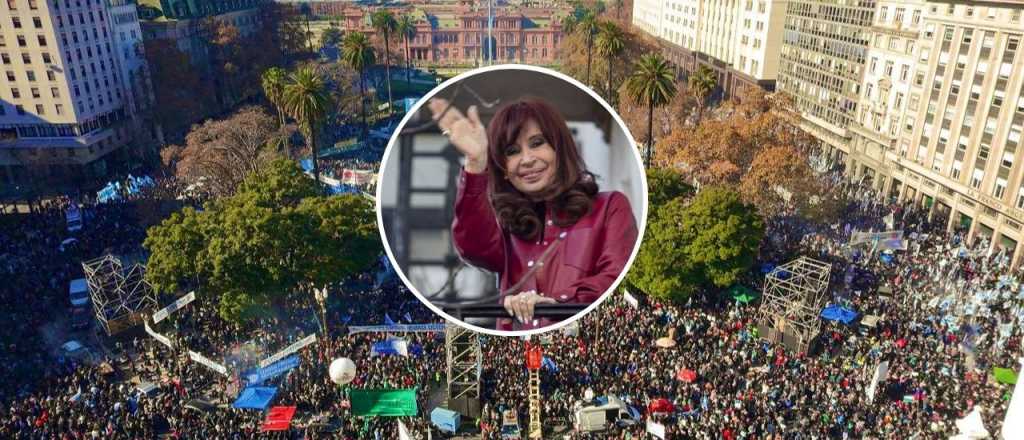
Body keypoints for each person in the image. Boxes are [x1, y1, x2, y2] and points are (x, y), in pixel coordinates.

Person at [427, 96, 639, 331]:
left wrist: (558, 302)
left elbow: (615, 277)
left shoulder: (609, 208)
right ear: (504, 169)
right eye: (512, 151)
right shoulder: (507, 225)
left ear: (559, 148)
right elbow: (473, 246)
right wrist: (476, 163)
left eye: (537, 143)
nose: (527, 160)